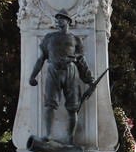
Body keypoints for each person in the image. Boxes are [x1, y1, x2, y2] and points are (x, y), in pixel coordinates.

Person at [28, 9, 93, 145]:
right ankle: (48, 135)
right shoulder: (49, 37)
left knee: (73, 107)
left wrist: (89, 79)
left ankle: (70, 138)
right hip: (54, 70)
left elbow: (81, 61)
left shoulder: (75, 39)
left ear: (68, 21)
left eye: (62, 18)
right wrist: (33, 76)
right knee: (50, 104)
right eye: (57, 18)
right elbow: (41, 59)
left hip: (70, 70)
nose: (59, 21)